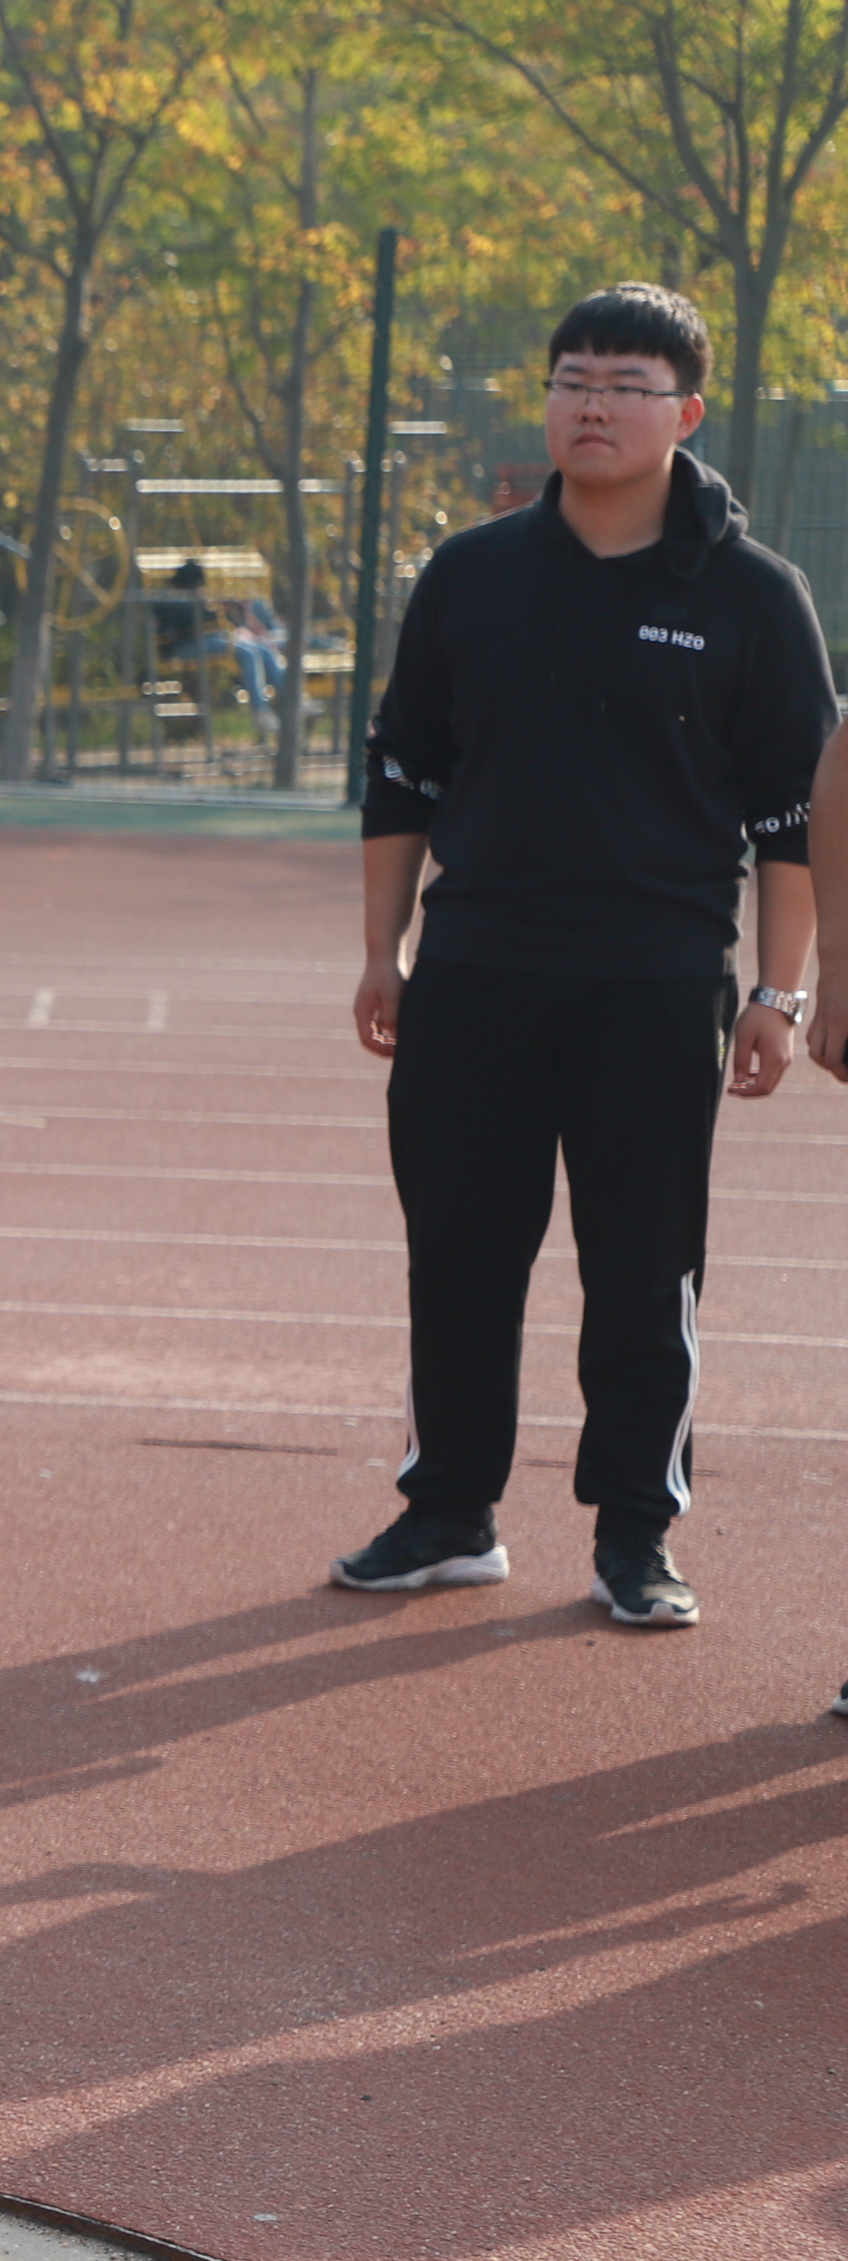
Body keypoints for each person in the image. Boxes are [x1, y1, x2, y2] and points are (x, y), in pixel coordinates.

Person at [349, 283, 830, 1630]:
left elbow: (792, 822)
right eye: (573, 380)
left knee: (644, 1267)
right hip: (478, 973)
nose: (594, 405)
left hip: (656, 983)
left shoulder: (750, 595)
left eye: (626, 384)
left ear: (684, 412)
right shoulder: (472, 572)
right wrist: (383, 952)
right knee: (459, 1253)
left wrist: (778, 993)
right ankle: (449, 1510)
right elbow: (402, 779)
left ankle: (635, 1534)